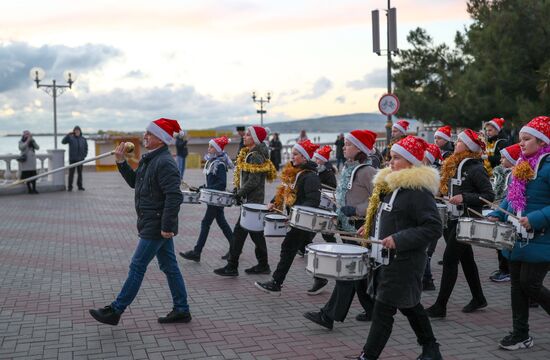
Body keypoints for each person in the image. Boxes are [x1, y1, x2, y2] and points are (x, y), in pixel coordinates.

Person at [89, 118, 190, 326]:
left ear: (160, 139)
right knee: (170, 266)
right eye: (146, 133)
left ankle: (115, 310)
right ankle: (182, 309)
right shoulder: (151, 159)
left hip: (156, 225)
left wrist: (167, 227)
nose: (144, 136)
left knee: (137, 266)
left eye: (149, 134)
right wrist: (121, 162)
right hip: (152, 222)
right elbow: (135, 183)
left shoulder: (164, 162)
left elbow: (174, 195)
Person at [355, 135, 443, 360]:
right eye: (390, 158)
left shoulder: (417, 191)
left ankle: (368, 356)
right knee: (410, 305)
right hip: (388, 259)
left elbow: (433, 227)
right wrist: (371, 228)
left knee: (383, 311)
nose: (390, 163)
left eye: (396, 158)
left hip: (404, 262)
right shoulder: (393, 186)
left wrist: (399, 239)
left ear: (411, 162)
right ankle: (431, 348)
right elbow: (392, 216)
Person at [487, 116, 550, 351]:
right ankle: (520, 334)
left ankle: (521, 333)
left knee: (530, 285)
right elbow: (513, 201)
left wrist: (534, 219)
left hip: (542, 238)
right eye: (521, 139)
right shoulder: (521, 167)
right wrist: (500, 215)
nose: (521, 143)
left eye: (527, 139)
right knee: (517, 288)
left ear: (542, 142)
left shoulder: (548, 166)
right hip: (517, 238)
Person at [303, 129, 378, 325]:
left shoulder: (367, 171)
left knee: (347, 272)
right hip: (346, 227)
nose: (344, 147)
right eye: (344, 143)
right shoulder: (348, 168)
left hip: (360, 227)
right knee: (357, 274)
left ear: (360, 148)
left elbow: (378, 201)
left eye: (349, 144)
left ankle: (328, 315)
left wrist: (356, 209)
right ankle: (372, 310)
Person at [427, 129, 495, 318]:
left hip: (466, 221)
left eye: (459, 142)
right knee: (467, 259)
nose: (455, 143)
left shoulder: (475, 168)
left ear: (469, 147)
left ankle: (441, 306)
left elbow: (489, 196)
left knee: (450, 260)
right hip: (452, 219)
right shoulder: (454, 164)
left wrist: (464, 197)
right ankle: (479, 297)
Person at [254, 139, 321, 294]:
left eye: (296, 154)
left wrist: (297, 212)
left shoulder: (310, 176)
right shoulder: (294, 173)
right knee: (305, 250)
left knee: (288, 247)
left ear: (305, 158)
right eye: (292, 154)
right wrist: (273, 202)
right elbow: (285, 190)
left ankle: (276, 283)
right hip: (297, 219)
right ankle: (320, 278)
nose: (292, 157)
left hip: (303, 220)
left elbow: (313, 201)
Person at [214, 126, 277, 277]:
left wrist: (239, 194)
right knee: (255, 234)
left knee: (240, 233)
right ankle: (262, 265)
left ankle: (232, 266)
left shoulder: (255, 155)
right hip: (252, 201)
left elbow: (254, 181)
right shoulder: (251, 153)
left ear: (255, 139)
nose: (244, 136)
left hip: (252, 202)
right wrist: (239, 191)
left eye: (248, 135)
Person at [179, 136, 234, 262]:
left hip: (216, 198)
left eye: (211, 146)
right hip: (213, 198)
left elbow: (221, 184)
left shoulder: (219, 164)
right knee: (222, 223)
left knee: (205, 223)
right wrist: (202, 188)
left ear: (217, 149)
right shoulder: (213, 162)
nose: (208, 148)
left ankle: (197, 252)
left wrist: (206, 188)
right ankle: (235, 247)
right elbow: (213, 183)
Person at [297, 145, 337, 259]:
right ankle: (303, 247)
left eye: (318, 159)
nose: (316, 161)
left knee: (326, 232)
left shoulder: (329, 173)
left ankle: (334, 248)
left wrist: (320, 186)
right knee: (312, 228)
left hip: (326, 206)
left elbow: (333, 188)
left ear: (323, 161)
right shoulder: (317, 171)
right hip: (318, 204)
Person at [488, 143, 520, 283]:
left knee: (504, 244)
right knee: (501, 244)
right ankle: (504, 269)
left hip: (513, 216)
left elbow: (511, 197)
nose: (501, 160)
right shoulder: (508, 174)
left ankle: (506, 270)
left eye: (503, 158)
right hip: (505, 212)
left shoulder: (516, 173)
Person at [421, 143, 443, 291]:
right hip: (427, 216)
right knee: (426, 252)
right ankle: (426, 280)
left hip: (429, 216)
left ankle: (427, 281)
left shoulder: (431, 175)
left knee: (426, 252)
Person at [62, 126, 88, 191]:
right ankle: (70, 187)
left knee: (80, 174)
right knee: (71, 174)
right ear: (74, 131)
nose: (77, 132)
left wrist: (84, 156)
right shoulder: (70, 138)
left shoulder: (83, 139)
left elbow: (86, 148)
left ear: (80, 131)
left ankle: (80, 186)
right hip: (72, 159)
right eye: (76, 130)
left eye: (78, 130)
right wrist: (68, 135)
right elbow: (63, 142)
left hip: (80, 159)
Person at [18, 130, 40, 194]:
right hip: (26, 161)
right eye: (26, 134)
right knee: (27, 176)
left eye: (28, 134)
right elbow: (21, 148)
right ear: (23, 135)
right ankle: (29, 189)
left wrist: (32, 140)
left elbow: (37, 147)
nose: (27, 135)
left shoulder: (32, 140)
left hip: (32, 161)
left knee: (33, 176)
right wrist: (27, 141)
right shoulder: (21, 141)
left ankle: (34, 189)